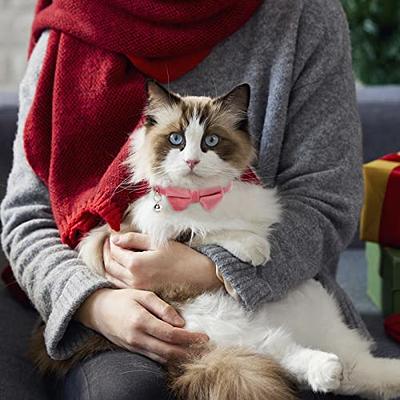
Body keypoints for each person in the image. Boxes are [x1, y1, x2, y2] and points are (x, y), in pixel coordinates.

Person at [1, 0, 367, 399]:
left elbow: (327, 202)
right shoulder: (70, 26)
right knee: (128, 392)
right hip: (110, 316)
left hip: (276, 295)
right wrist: (95, 305)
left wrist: (212, 269)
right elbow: (27, 217)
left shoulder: (304, 16)